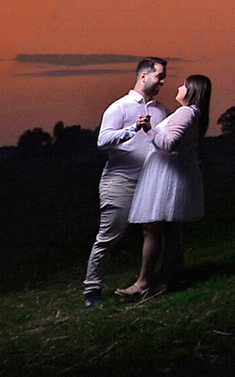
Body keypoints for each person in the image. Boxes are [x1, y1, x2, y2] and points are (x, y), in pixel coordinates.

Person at [116, 72, 209, 299]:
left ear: (192, 91)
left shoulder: (186, 112)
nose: (178, 87)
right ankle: (170, 277)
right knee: (171, 229)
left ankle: (143, 282)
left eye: (184, 85)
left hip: (167, 175)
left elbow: (167, 144)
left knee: (152, 229)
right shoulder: (195, 114)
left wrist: (149, 128)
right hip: (176, 174)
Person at [84, 57, 166, 308]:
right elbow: (102, 140)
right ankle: (92, 290)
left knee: (153, 231)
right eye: (159, 76)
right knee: (109, 236)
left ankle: (147, 282)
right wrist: (131, 130)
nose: (163, 81)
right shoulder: (119, 107)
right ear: (144, 76)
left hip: (149, 181)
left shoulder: (161, 110)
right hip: (120, 181)